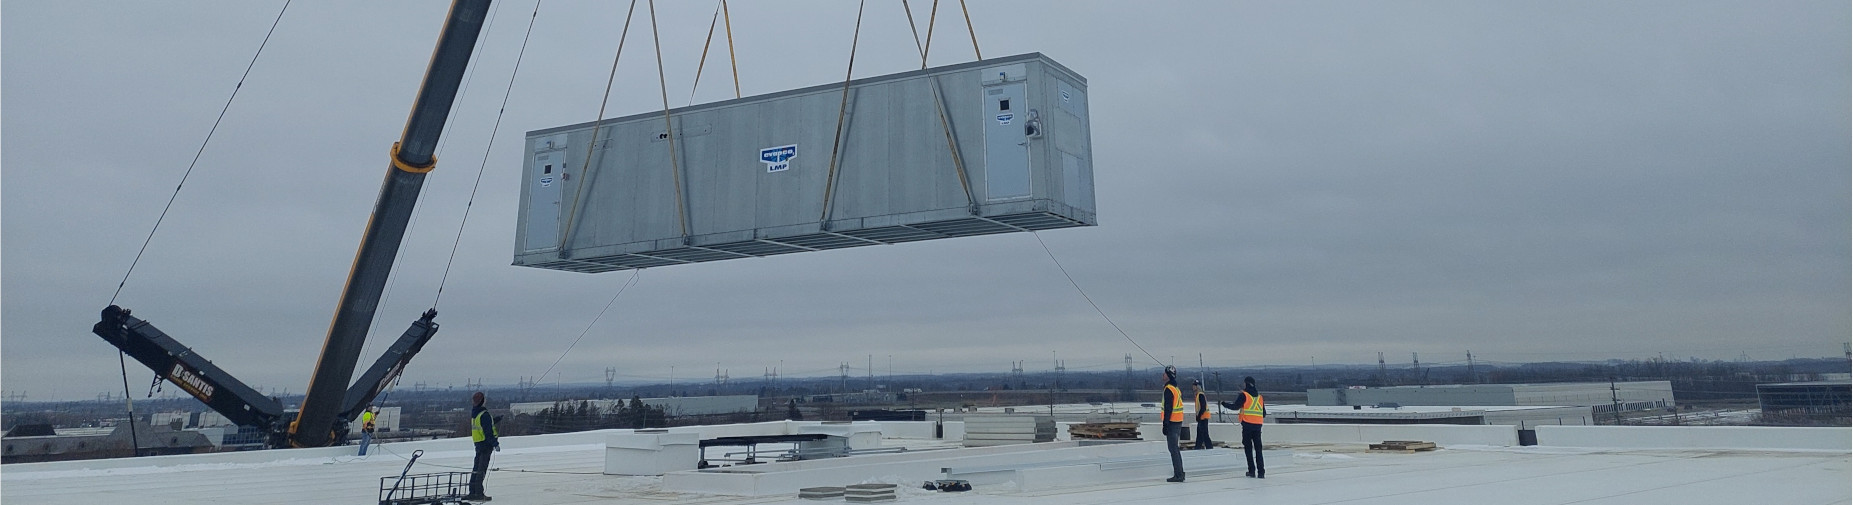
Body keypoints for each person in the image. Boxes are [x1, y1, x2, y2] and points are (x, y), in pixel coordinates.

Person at [465, 391, 500, 502]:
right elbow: (487, 431)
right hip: (485, 444)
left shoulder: (476, 413)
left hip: (478, 443)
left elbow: (483, 424)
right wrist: (495, 444)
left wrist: (495, 420)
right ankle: (478, 494)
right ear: (482, 401)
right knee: (481, 469)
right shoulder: (484, 414)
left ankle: (472, 492)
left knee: (476, 469)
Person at [1161, 365, 1186, 483]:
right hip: (1178, 421)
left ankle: (1178, 474)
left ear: (1168, 375)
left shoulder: (1169, 389)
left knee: (1173, 449)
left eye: (1165, 373)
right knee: (1175, 448)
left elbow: (1168, 408)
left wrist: (1165, 424)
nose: (1163, 375)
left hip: (1172, 422)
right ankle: (1180, 472)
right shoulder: (1176, 388)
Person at [1236, 376, 1265, 478]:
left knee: (1248, 449)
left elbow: (1235, 406)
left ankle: (1251, 471)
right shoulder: (1260, 397)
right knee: (1258, 450)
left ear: (1246, 383)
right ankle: (1261, 472)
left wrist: (1223, 404)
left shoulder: (1244, 395)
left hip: (1247, 426)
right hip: (1257, 427)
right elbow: (1264, 413)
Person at [1192, 379, 1213, 450]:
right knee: (1200, 434)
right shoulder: (1198, 395)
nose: (1193, 387)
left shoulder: (1200, 395)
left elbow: (1203, 407)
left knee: (1204, 434)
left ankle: (1209, 447)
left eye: (1194, 385)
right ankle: (1197, 447)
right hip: (1201, 417)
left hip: (1203, 417)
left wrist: (1199, 416)